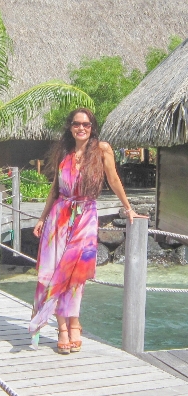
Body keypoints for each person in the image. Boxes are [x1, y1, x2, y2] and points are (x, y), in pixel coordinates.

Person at [31, 108, 146, 354]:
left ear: (92, 127)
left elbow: (113, 179)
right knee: (54, 272)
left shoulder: (101, 149)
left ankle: (74, 321)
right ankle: (64, 328)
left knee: (75, 274)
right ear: (70, 127)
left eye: (86, 124)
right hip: (59, 217)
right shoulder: (64, 151)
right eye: (76, 124)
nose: (81, 128)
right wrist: (42, 218)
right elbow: (55, 189)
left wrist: (128, 209)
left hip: (86, 216)